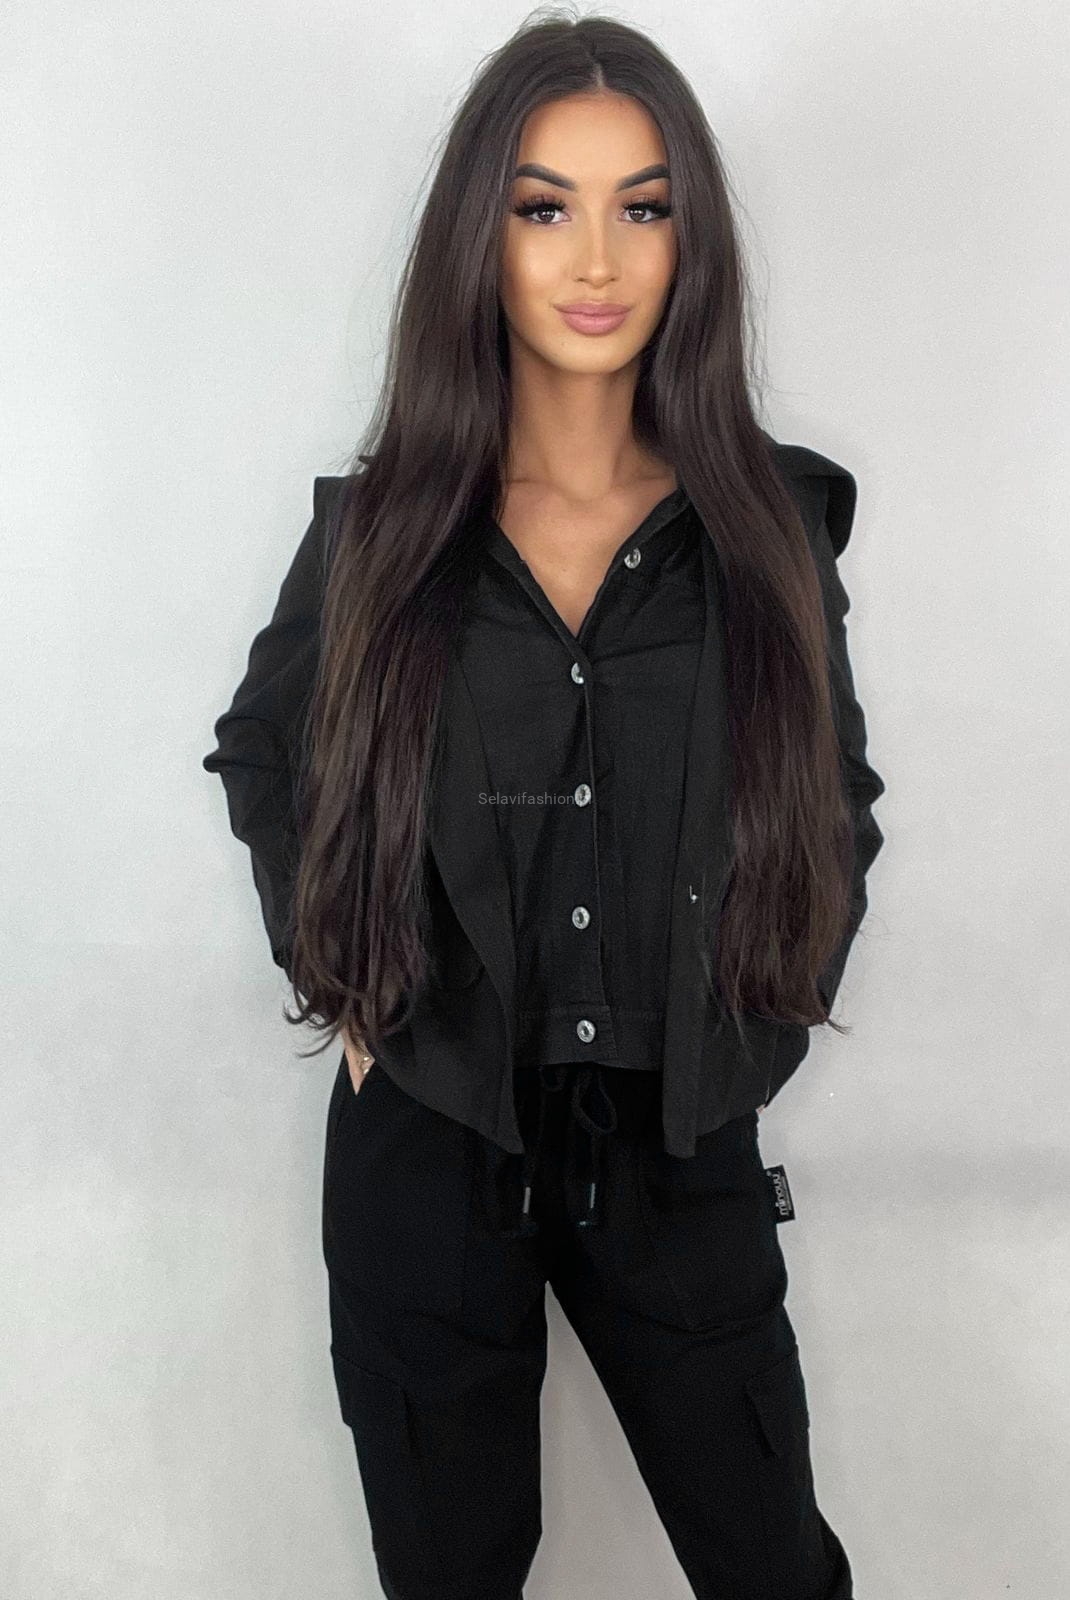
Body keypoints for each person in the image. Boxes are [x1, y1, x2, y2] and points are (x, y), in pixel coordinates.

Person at [202, 15, 884, 1599]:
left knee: (773, 1564)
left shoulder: (762, 526)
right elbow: (262, 749)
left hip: (676, 1142)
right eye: (542, 206)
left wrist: (764, 1016)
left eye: (643, 206)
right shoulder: (385, 531)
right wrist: (345, 985)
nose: (595, 258)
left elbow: (832, 793)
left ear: (689, 240)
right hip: (431, 1127)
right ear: (480, 234)